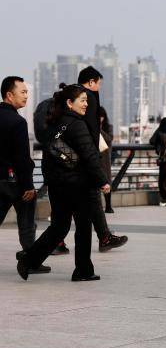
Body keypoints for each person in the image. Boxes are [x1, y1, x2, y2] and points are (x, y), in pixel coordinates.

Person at [17, 83, 111, 281]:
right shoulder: (77, 124)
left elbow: (49, 156)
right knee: (83, 227)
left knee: (59, 226)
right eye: (82, 100)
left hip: (58, 185)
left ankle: (29, 260)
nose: (86, 104)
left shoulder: (55, 123)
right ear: (70, 103)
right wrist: (102, 181)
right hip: (78, 185)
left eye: (86, 100)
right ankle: (83, 271)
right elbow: (90, 155)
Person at [0, 77, 50, 274]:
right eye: (22, 92)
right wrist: (29, 185)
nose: (26, 96)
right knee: (27, 221)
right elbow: (21, 158)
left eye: (27, 92)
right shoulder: (18, 122)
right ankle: (31, 260)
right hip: (15, 181)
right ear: (9, 95)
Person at [76, 66, 128, 252]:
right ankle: (33, 256)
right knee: (66, 217)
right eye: (99, 84)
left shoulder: (73, 96)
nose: (99, 87)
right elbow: (90, 133)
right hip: (85, 160)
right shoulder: (88, 97)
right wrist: (99, 175)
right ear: (91, 82)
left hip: (79, 160)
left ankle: (104, 237)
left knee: (87, 203)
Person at [97, 107, 114, 213]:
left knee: (107, 181)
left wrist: (99, 130)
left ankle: (108, 206)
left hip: (105, 158)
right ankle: (98, 207)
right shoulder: (91, 126)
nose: (100, 118)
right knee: (97, 181)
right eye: (99, 116)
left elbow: (109, 138)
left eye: (102, 116)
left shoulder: (109, 127)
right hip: (95, 157)